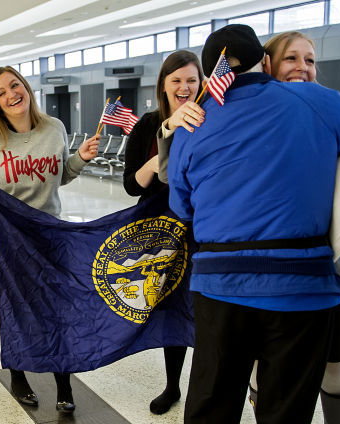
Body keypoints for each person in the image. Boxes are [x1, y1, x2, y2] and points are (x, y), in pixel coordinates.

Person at [167, 24, 340, 424]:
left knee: (211, 406)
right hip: (302, 287)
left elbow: (181, 206)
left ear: (213, 74)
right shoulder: (318, 101)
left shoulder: (194, 121)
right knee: (286, 410)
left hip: (220, 287)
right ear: (265, 62)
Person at [243, 31, 340, 424]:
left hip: (329, 273)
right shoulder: (247, 123)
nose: (303, 68)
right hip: (264, 276)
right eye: (292, 58)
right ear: (268, 65)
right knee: (262, 368)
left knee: (335, 370)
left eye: (310, 60)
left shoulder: (333, 117)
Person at [0, 66, 99, 413]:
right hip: (7, 242)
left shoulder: (54, 128)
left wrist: (80, 160)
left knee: (58, 313)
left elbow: (62, 176)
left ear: (26, 87)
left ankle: (64, 383)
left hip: (49, 236)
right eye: (1, 92)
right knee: (13, 312)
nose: (12, 94)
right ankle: (18, 376)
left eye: (15, 85)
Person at [123, 49, 205, 415]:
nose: (185, 87)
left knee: (203, 308)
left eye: (192, 80)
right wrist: (162, 152)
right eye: (177, 81)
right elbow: (131, 186)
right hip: (161, 234)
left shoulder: (210, 120)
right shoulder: (148, 124)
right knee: (171, 307)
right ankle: (173, 385)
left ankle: (207, 385)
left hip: (203, 230)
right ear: (164, 86)